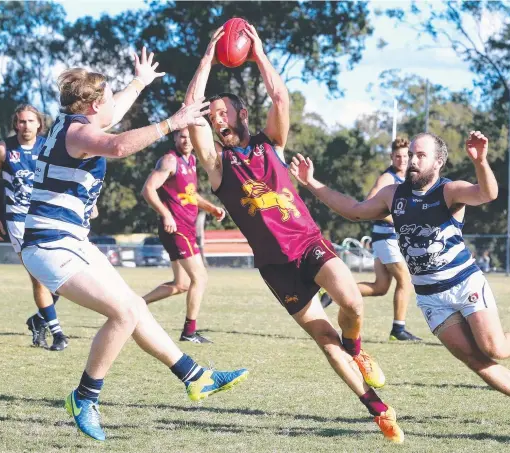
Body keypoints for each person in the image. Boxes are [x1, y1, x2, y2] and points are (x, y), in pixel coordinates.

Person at [185, 26, 403, 443]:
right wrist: (208, 57)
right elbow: (188, 109)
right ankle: (377, 409)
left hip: (307, 244)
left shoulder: (272, 144)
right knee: (325, 338)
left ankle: (357, 350)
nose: (217, 118)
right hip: (275, 267)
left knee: (353, 302)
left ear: (242, 114)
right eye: (213, 116)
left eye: (223, 112)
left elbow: (281, 98)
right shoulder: (218, 166)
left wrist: (260, 54)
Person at [20, 47, 247, 441]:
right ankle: (84, 398)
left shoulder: (76, 122)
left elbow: (116, 113)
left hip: (67, 240)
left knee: (136, 307)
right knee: (124, 313)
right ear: (92, 105)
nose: (114, 103)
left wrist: (139, 81)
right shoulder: (79, 131)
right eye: (107, 98)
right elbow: (119, 146)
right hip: (51, 244)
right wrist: (170, 122)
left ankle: (196, 377)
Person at [290, 131, 510, 429]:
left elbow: (487, 194)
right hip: (430, 297)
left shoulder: (449, 191)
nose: (412, 160)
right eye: (411, 154)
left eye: (420, 155)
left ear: (438, 162)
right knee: (474, 360)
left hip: (464, 285)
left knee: (494, 348)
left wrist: (481, 162)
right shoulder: (393, 194)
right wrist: (311, 183)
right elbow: (354, 211)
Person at [0, 104, 68, 351]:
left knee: (61, 277)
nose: (25, 126)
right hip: (18, 221)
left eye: (30, 121)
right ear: (15, 124)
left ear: (39, 124)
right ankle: (58, 333)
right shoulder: (3, 149)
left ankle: (38, 320)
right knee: (39, 278)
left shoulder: (48, 147)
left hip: (48, 218)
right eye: (21, 121)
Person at [320, 137, 420, 342]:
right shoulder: (388, 178)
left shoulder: (405, 178)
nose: (402, 160)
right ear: (391, 157)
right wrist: (397, 220)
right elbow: (369, 203)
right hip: (386, 238)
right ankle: (398, 329)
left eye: (405, 156)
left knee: (381, 287)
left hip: (389, 239)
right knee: (405, 280)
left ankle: (335, 292)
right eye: (398, 156)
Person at [141, 127, 226, 343]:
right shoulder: (170, 160)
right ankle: (189, 332)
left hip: (186, 228)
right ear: (175, 137)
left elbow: (190, 194)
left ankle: (136, 305)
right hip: (176, 228)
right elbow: (148, 189)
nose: (187, 140)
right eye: (182, 136)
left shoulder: (191, 161)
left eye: (190, 136)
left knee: (182, 284)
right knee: (200, 278)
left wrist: (211, 208)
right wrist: (166, 214)